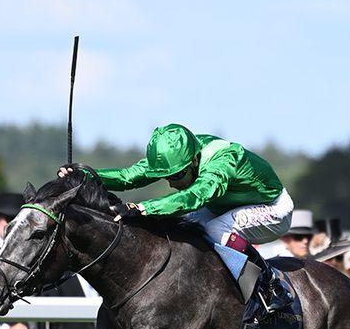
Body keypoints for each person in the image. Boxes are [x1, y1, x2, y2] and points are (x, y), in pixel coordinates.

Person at [60, 123, 294, 313]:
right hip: (226, 206)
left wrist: (142, 208)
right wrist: (87, 175)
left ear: (193, 161)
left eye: (178, 175)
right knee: (186, 230)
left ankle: (271, 286)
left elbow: (195, 196)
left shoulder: (223, 162)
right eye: (167, 177)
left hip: (272, 209)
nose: (172, 183)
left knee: (214, 229)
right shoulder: (179, 154)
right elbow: (128, 177)